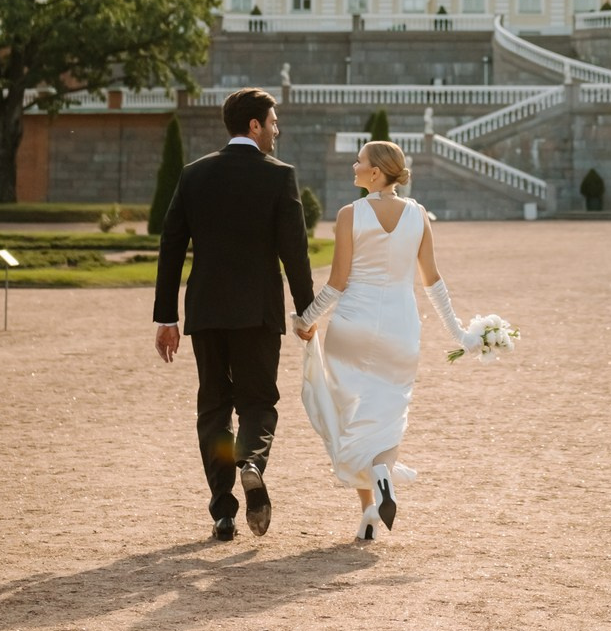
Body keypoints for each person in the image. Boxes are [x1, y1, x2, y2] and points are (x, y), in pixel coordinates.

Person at [295, 139, 481, 542]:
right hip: (400, 327)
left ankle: (368, 511)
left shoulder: (350, 215)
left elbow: (338, 282)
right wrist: (461, 334)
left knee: (353, 417)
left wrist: (305, 320)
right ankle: (378, 484)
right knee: (387, 415)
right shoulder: (418, 215)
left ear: (376, 172)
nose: (354, 166)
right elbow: (433, 282)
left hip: (352, 326)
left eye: (359, 161)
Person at [152, 88, 315, 543]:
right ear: (255, 126)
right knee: (259, 403)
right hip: (258, 311)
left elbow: (170, 247)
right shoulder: (279, 176)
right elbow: (294, 254)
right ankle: (252, 463)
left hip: (205, 310)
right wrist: (307, 311)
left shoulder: (193, 174)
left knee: (214, 408)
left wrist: (166, 317)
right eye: (274, 122)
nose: (278, 130)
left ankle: (223, 511)